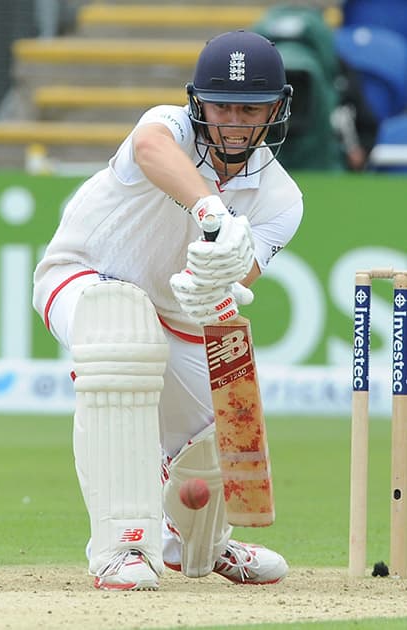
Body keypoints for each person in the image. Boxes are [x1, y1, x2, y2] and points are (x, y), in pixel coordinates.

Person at [33, 30, 303, 591]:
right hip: (81, 274)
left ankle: (197, 541)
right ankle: (122, 546)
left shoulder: (281, 199)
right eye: (221, 105)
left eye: (249, 108)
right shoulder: (167, 127)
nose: (232, 121)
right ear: (196, 101)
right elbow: (153, 150)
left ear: (275, 108)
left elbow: (236, 280)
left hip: (174, 312)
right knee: (123, 333)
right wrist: (211, 209)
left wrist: (217, 282)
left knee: (217, 431)